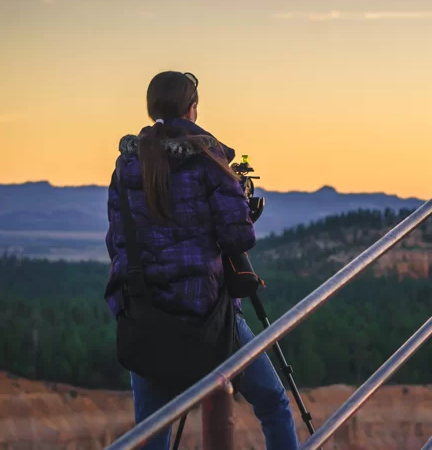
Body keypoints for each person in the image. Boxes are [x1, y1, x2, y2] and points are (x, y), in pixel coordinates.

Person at [104, 70, 300, 449]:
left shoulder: (126, 164)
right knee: (274, 403)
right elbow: (239, 238)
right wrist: (240, 207)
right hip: (206, 314)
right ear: (192, 109)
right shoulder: (209, 160)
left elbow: (117, 240)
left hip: (144, 315)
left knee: (151, 433)